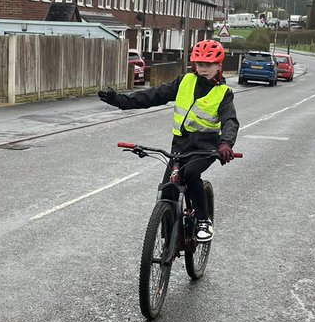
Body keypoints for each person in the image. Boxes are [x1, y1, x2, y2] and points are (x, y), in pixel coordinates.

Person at [98, 39, 239, 242]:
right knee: (167, 190)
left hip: (205, 148)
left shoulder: (224, 93)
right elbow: (153, 96)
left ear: (219, 65)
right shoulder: (185, 82)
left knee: (190, 174)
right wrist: (120, 101)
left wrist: (226, 144)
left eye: (209, 65)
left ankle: (203, 220)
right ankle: (168, 242)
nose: (204, 69)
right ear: (194, 65)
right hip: (180, 146)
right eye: (200, 64)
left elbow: (230, 121)